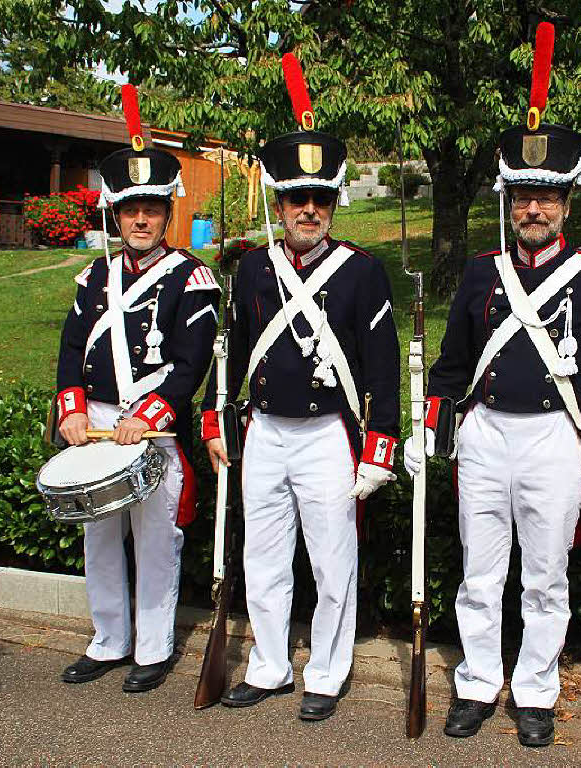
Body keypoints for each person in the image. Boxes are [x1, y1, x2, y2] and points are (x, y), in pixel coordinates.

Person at [404, 22, 581, 748]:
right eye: (524, 197)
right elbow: (450, 365)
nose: (534, 209)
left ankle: (534, 691)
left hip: (554, 440)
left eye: (548, 197)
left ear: (568, 201)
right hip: (487, 434)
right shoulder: (479, 272)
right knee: (479, 572)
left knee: (544, 577)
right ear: (510, 201)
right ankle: (475, 682)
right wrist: (430, 424)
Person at [200, 53, 400, 721]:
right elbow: (227, 356)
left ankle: (329, 672)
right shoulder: (251, 270)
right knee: (263, 554)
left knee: (332, 558)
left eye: (320, 199)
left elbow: (382, 366)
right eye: (296, 198)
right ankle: (268, 665)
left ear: (333, 202)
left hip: (326, 435)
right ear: (279, 202)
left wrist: (381, 445)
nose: (308, 210)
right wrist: (216, 420)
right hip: (265, 432)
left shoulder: (362, 272)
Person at [56, 84, 220, 692]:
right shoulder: (93, 274)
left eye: (152, 208)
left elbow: (190, 362)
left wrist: (147, 415)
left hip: (152, 427)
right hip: (97, 423)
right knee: (100, 536)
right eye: (131, 211)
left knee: (155, 539)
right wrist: (72, 410)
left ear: (166, 213)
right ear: (116, 214)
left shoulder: (192, 278)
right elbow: (71, 350)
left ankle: (152, 648)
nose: (142, 219)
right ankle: (107, 641)